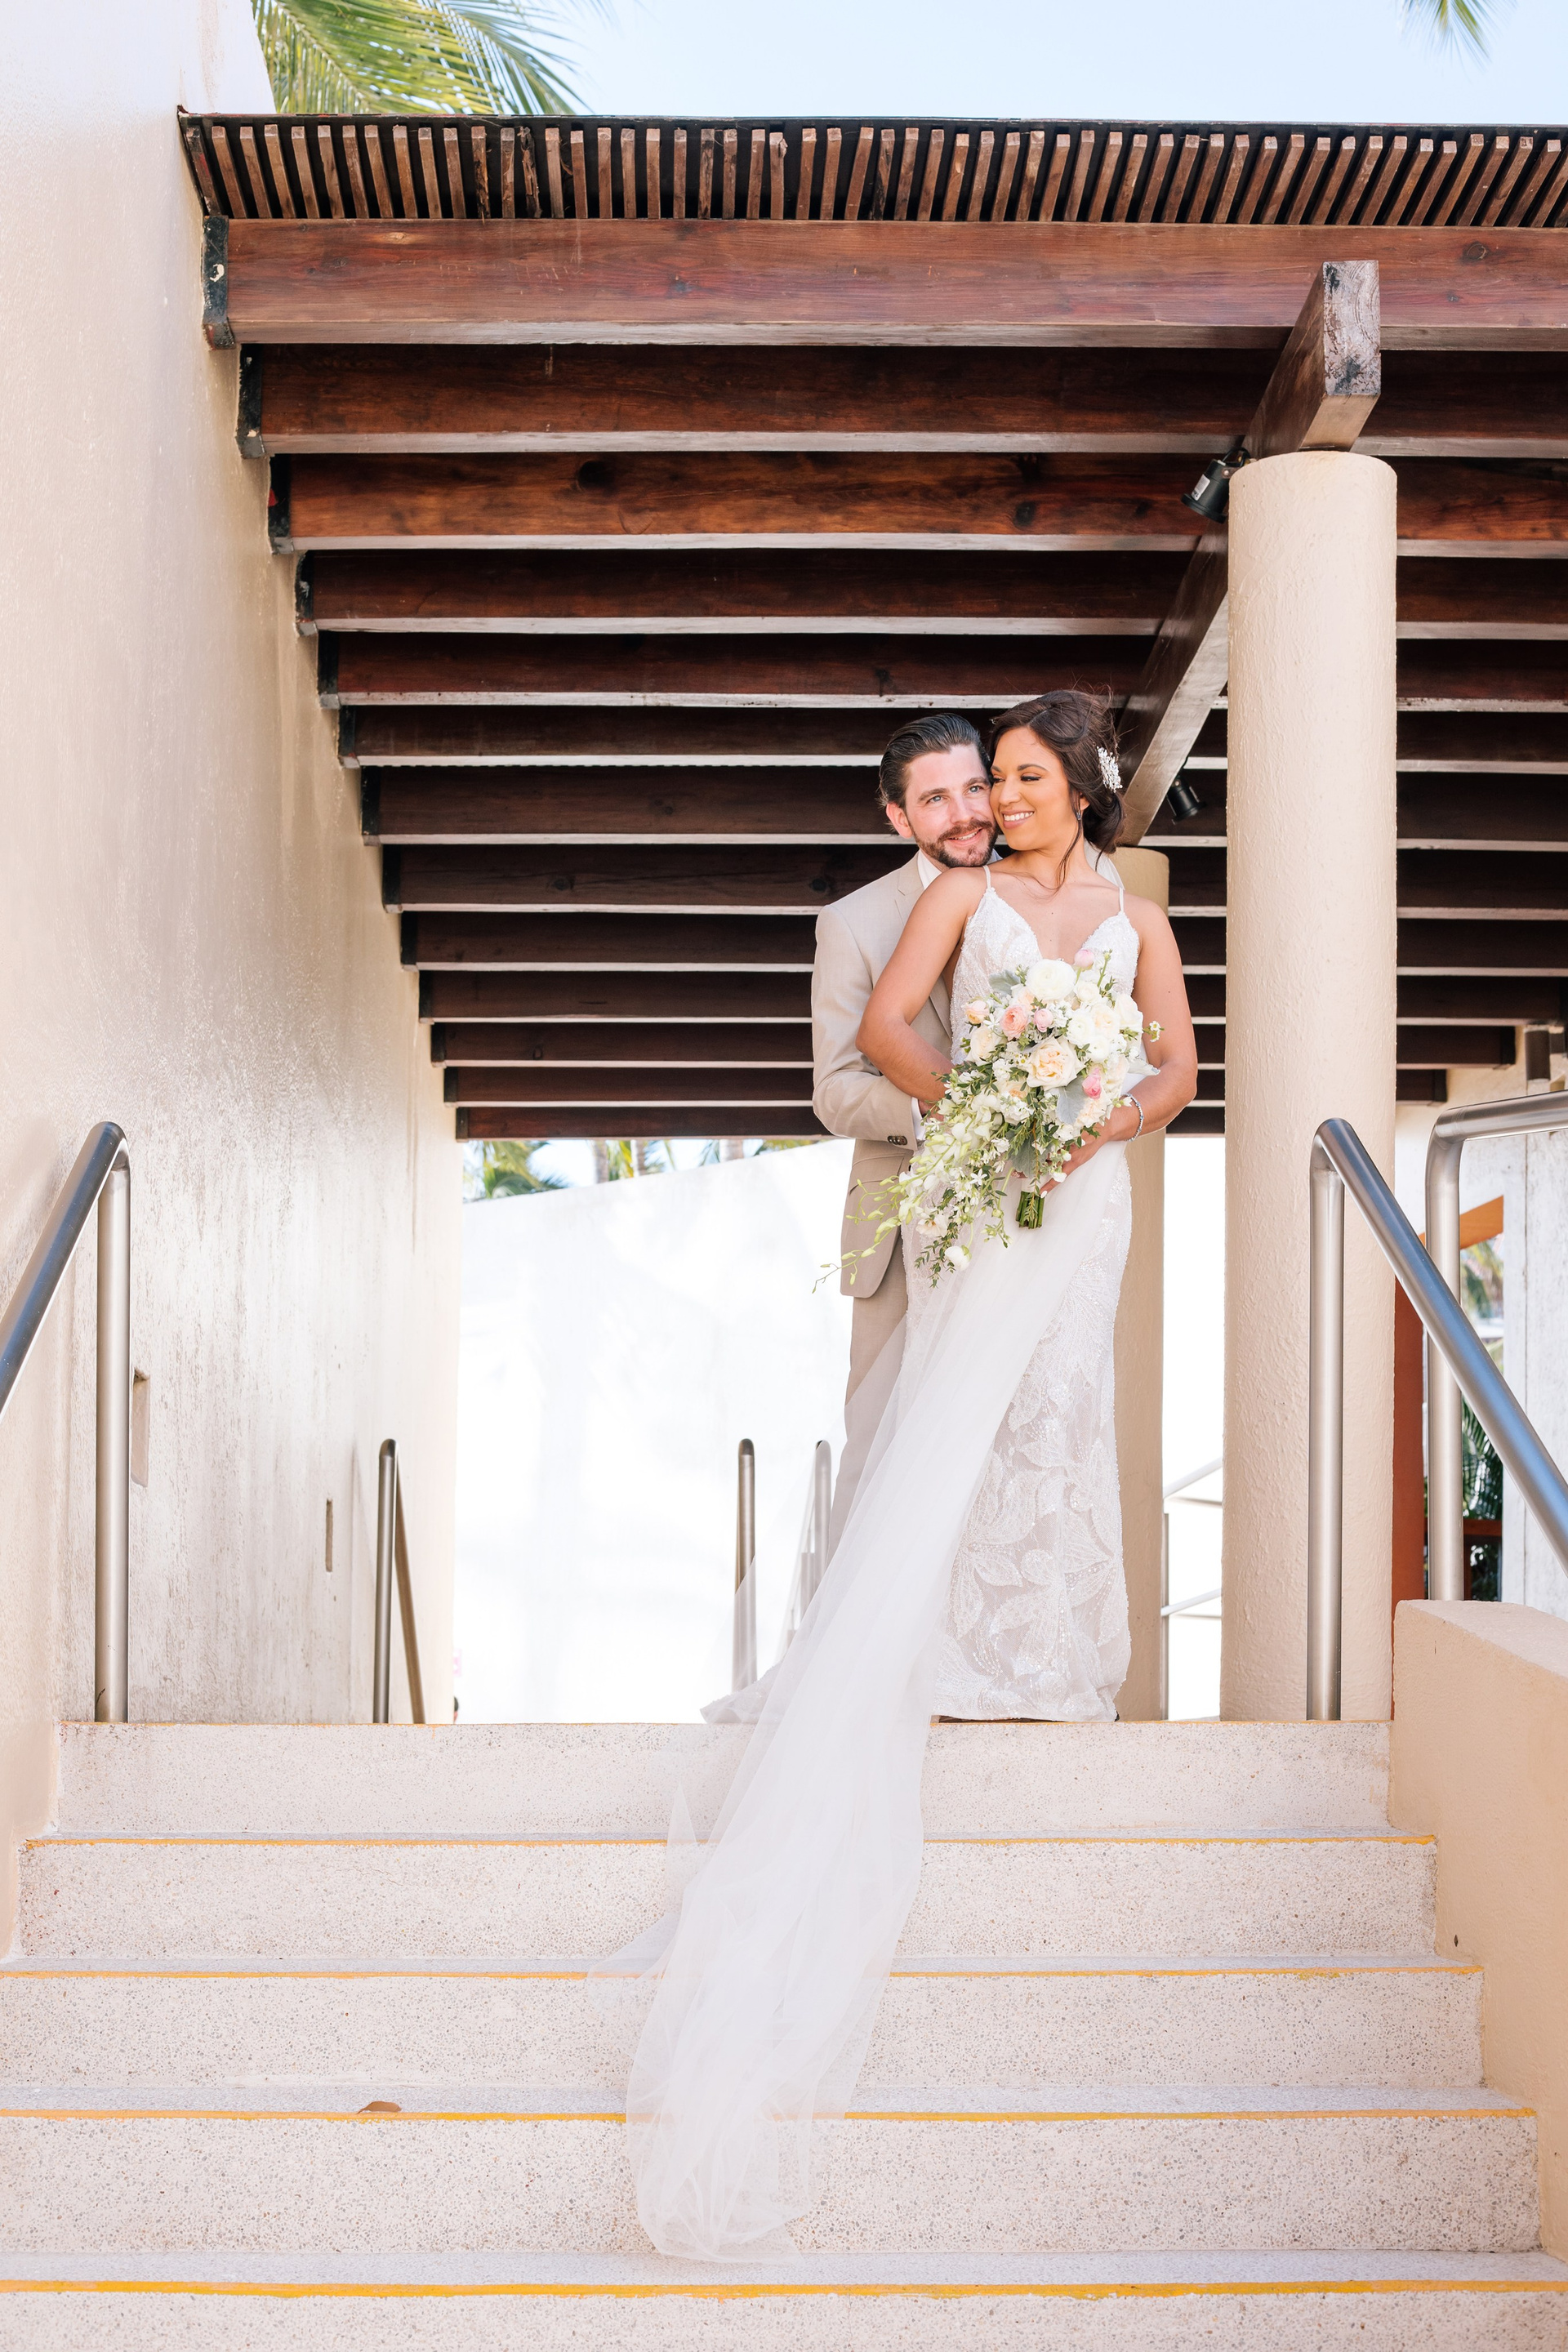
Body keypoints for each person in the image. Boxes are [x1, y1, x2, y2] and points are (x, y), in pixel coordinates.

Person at [615, 692, 1197, 2265]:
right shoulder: (938, 901)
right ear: (911, 814)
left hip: (1084, 1197)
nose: (991, 803)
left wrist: (1095, 1124)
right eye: (972, 784)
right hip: (969, 1182)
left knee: (1063, 1414)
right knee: (935, 1420)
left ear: (1079, 789)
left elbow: (1175, 1069)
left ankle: (1046, 1653)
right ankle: (915, 1640)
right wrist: (997, 1112)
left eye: (1015, 778)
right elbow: (877, 1043)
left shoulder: (1137, 916)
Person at [810, 711, 996, 1544]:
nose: (964, 814)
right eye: (935, 799)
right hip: (897, 1226)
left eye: (974, 787)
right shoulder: (854, 923)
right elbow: (836, 1090)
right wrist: (950, 1107)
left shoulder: (1044, 897)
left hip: (1024, 1217)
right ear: (898, 817)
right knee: (880, 1460)